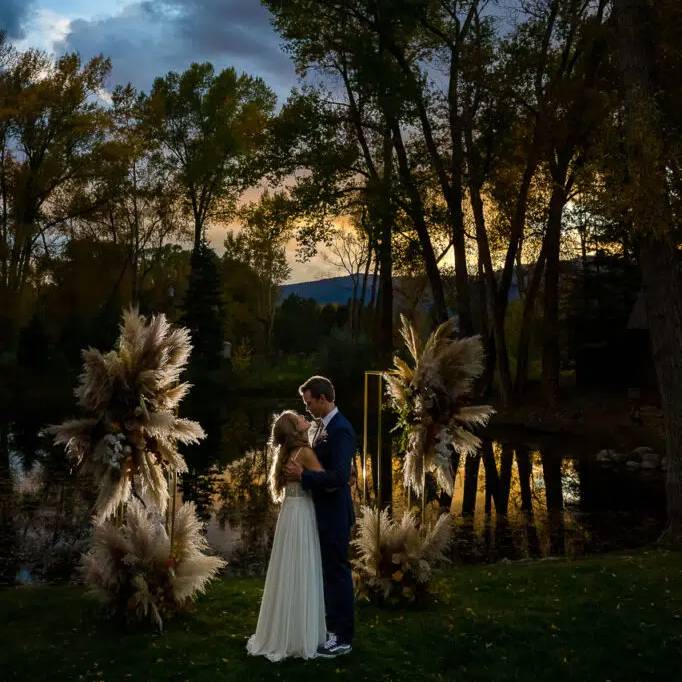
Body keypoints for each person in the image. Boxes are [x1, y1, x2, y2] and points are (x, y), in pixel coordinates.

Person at [246, 410, 326, 662]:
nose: (305, 418)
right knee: (302, 567)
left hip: (289, 514)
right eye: (300, 418)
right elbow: (326, 481)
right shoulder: (305, 453)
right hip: (302, 514)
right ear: (295, 429)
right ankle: (301, 635)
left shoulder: (288, 454)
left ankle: (283, 631)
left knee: (288, 569)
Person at [285, 375, 356, 658]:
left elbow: (339, 476)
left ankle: (343, 638)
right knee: (327, 574)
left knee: (338, 574)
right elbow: (338, 469)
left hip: (336, 514)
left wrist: (304, 476)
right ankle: (331, 629)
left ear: (323, 399)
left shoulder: (341, 430)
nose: (308, 408)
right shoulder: (321, 428)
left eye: (309, 402)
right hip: (323, 511)